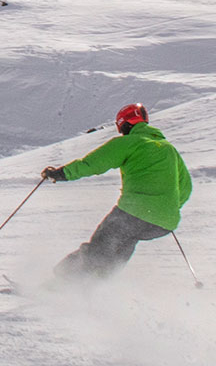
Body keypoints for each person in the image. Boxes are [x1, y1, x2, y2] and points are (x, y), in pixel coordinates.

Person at [41, 103, 192, 278]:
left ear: (125, 124)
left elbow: (93, 163)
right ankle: (95, 289)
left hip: (133, 212)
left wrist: (62, 173)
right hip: (163, 223)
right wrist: (164, 207)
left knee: (98, 249)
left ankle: (57, 284)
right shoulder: (169, 149)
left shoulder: (129, 143)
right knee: (122, 245)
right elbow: (186, 187)